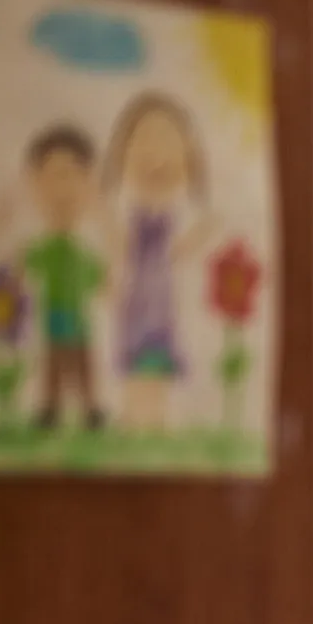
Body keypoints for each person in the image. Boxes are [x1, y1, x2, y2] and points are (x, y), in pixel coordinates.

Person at [101, 93, 210, 431]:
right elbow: (120, 247)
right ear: (123, 152)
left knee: (158, 358)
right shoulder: (127, 210)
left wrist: (205, 232)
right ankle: (134, 413)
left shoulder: (180, 213)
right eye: (144, 140)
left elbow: (181, 250)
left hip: (162, 301)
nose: (155, 154)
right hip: (136, 300)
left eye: (167, 141)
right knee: (135, 358)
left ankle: (158, 415)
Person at [15, 126, 109, 430]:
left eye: (73, 175)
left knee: (83, 367)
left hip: (80, 322)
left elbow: (100, 279)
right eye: (54, 176)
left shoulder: (83, 251)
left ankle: (91, 409)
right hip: (55, 319)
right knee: (54, 367)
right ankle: (50, 409)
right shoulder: (46, 248)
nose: (63, 189)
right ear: (36, 186)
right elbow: (26, 267)